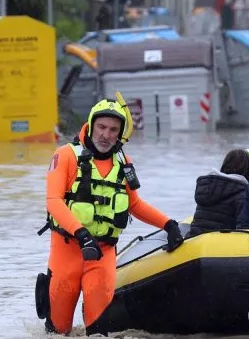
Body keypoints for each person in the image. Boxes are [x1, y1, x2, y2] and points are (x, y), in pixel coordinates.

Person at [37, 98, 185, 335]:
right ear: (92, 125)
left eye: (113, 130)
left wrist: (168, 224)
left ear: (120, 134)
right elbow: (53, 202)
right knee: (58, 330)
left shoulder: (123, 163)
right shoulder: (65, 155)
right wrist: (82, 234)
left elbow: (134, 204)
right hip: (67, 250)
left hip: (102, 253)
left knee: (99, 331)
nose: (106, 135)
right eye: (102, 127)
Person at [186, 148, 249, 237]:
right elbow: (242, 229)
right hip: (221, 244)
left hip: (194, 239)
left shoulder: (208, 187)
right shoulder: (243, 194)